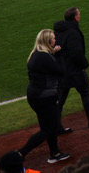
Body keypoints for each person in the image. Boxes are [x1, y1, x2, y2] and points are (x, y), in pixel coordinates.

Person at [13, 30, 68, 165]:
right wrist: (59, 55)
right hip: (44, 98)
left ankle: (55, 153)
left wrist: (53, 54)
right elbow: (61, 71)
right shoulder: (44, 57)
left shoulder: (36, 54)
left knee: (49, 125)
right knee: (48, 129)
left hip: (36, 96)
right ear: (48, 41)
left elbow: (46, 65)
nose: (55, 40)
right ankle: (21, 152)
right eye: (53, 38)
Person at [54, 8, 89, 130]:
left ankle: (56, 127)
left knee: (60, 99)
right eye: (79, 14)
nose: (80, 16)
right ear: (75, 17)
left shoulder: (58, 31)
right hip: (75, 70)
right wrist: (84, 65)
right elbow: (76, 53)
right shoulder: (73, 32)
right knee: (85, 92)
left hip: (61, 70)